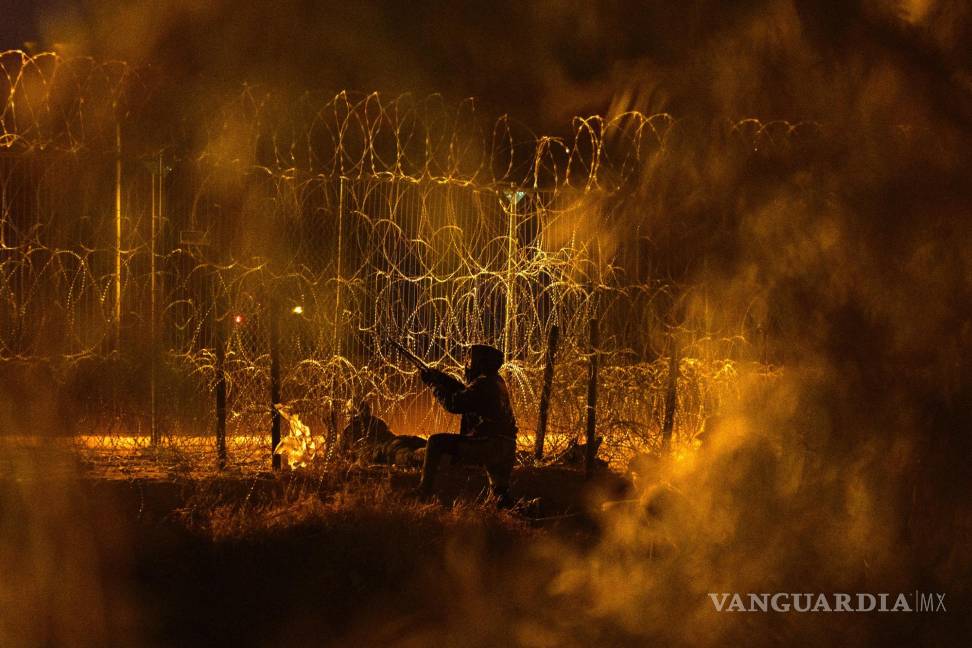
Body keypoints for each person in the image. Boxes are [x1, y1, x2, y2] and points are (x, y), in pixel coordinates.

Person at [414, 344, 518, 508]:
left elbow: (454, 404)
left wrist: (433, 386)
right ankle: (528, 515)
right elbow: (465, 391)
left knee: (436, 442)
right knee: (500, 498)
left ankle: (423, 493)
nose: (466, 364)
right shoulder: (496, 381)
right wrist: (440, 377)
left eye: (470, 360)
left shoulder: (483, 384)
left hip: (489, 445)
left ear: (480, 363)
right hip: (506, 447)